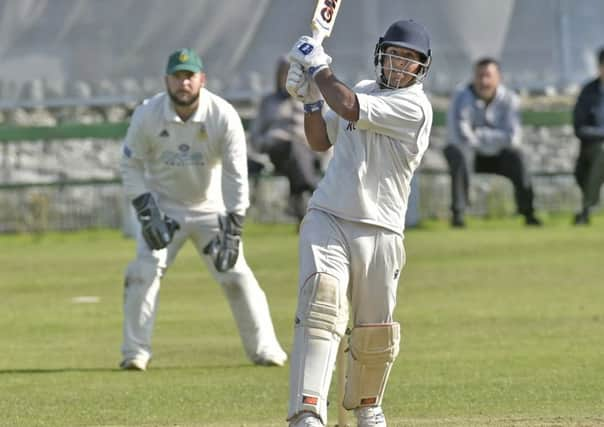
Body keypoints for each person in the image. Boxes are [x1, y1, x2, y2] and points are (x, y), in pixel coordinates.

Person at [284, 20, 433, 427]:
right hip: (330, 215)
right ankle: (307, 412)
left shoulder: (415, 107)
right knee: (321, 304)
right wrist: (311, 101)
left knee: (373, 333)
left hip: (382, 229)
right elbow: (320, 140)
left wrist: (318, 67)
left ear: (422, 68)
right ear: (381, 54)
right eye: (395, 54)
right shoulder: (363, 88)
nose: (400, 65)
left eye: (410, 59)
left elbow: (348, 107)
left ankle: (368, 407)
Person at [118, 48, 287, 371]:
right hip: (163, 208)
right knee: (143, 271)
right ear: (166, 80)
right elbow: (130, 165)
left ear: (201, 80)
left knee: (236, 274)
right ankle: (134, 353)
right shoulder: (148, 114)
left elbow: (237, 173)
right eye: (177, 76)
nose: (183, 83)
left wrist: (234, 224)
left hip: (210, 208)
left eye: (189, 76)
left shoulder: (222, 114)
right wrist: (144, 208)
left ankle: (265, 349)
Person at [443, 58, 542, 227]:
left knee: (518, 158)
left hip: (498, 155)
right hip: (466, 153)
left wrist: (479, 134)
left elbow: (513, 138)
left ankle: (529, 214)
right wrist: (495, 137)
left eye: (488, 76)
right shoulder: (460, 96)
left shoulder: (510, 99)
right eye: (479, 76)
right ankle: (458, 215)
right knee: (459, 155)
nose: (484, 81)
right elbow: (459, 136)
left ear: (498, 78)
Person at [249, 56, 325, 224]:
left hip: (307, 152)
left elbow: (326, 129)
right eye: (286, 73)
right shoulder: (268, 102)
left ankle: (299, 202)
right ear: (279, 76)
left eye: (294, 73)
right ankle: (312, 189)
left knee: (297, 149)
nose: (289, 77)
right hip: (276, 152)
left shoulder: (311, 98)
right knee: (291, 146)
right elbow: (255, 135)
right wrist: (265, 143)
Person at [572, 47, 604, 225]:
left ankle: (586, 210)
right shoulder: (588, 93)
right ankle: (588, 207)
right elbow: (580, 128)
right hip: (592, 150)